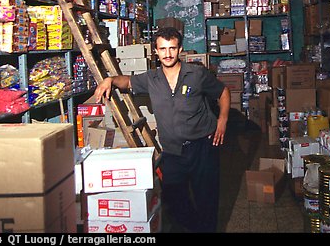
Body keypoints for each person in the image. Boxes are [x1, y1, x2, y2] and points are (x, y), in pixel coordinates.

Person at [94, 26, 230, 233]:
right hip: (173, 151)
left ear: (180, 49)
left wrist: (223, 120)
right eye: (163, 49)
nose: (168, 54)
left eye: (172, 48)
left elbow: (223, 92)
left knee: (207, 201)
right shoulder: (151, 78)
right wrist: (110, 80)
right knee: (174, 201)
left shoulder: (196, 74)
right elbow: (127, 82)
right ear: (156, 51)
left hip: (203, 147)